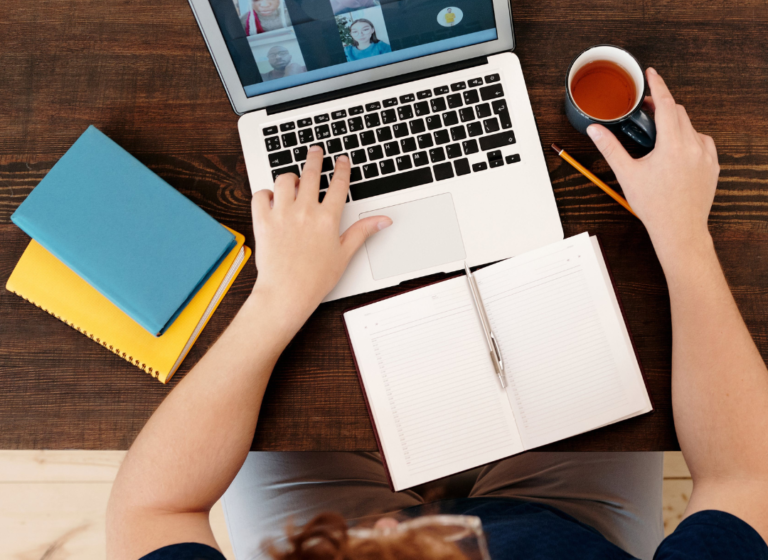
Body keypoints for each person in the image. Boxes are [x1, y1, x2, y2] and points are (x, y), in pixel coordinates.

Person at [106, 69, 768, 560]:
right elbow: (748, 480)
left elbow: (150, 510)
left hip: (323, 518)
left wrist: (277, 299)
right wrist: (682, 234)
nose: (392, 526)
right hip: (567, 528)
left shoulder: (354, 541)